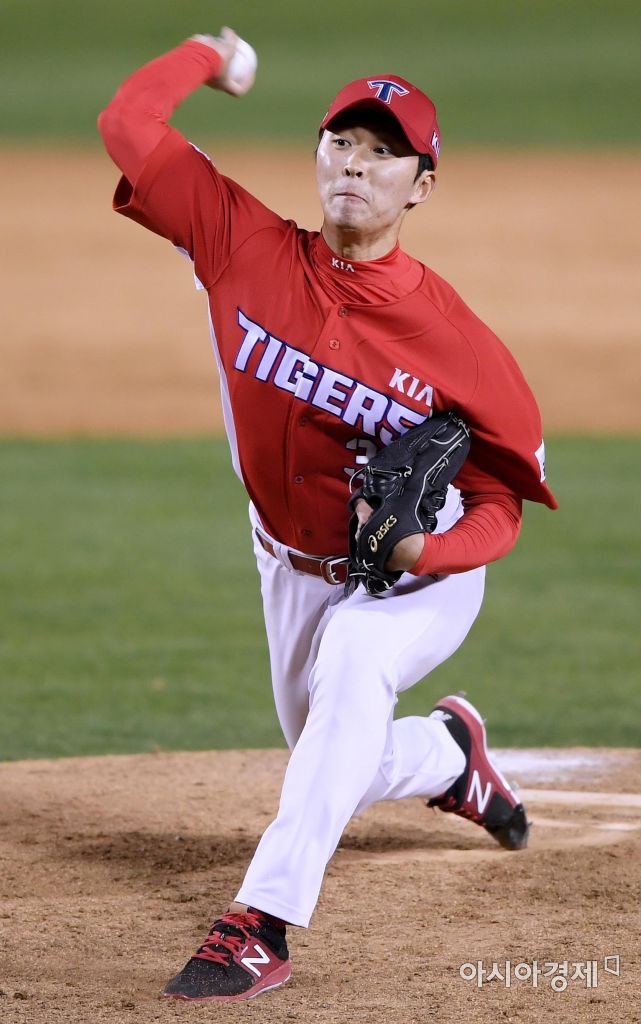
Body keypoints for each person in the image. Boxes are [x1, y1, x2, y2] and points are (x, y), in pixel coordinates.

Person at [98, 26, 557, 1003]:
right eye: (340, 141)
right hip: (287, 563)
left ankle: (258, 927)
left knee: (353, 659)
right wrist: (205, 53)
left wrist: (427, 548)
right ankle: (448, 756)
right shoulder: (240, 244)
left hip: (415, 579)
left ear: (419, 186)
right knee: (334, 750)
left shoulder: (459, 343)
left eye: (383, 152)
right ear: (316, 155)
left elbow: (501, 502)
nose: (355, 163)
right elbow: (127, 124)